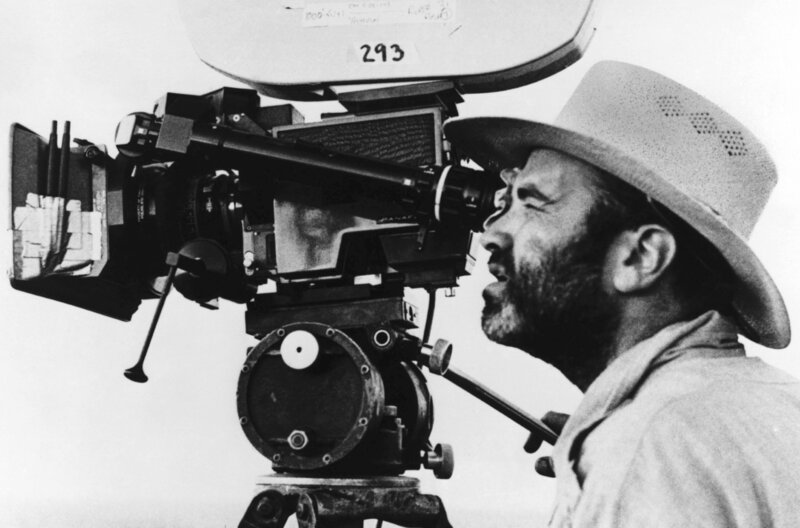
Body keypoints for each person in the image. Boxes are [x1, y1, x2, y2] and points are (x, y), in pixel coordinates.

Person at [443, 61, 800, 526]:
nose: (491, 234)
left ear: (641, 258)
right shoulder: (768, 407)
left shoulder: (650, 448)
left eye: (533, 204)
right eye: (505, 203)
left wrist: (626, 458)